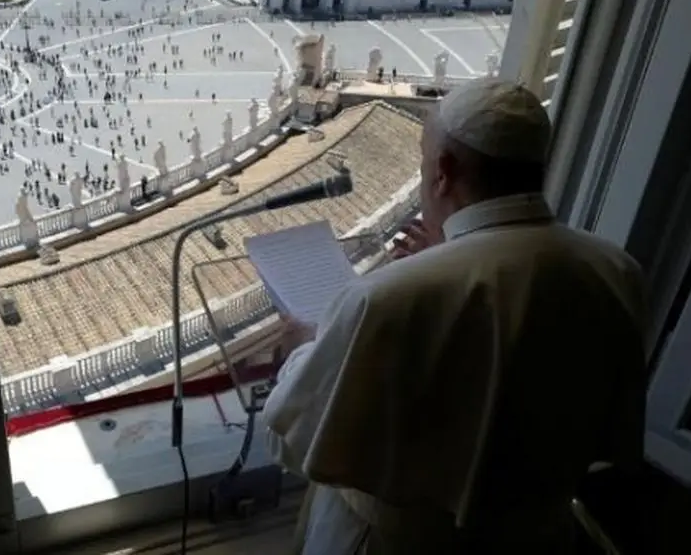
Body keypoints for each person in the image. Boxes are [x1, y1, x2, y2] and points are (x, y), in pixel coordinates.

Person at [263, 81, 648, 555]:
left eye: (424, 161)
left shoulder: (382, 298)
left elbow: (296, 444)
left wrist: (306, 343)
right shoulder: (616, 269)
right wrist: (448, 258)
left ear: (442, 172)